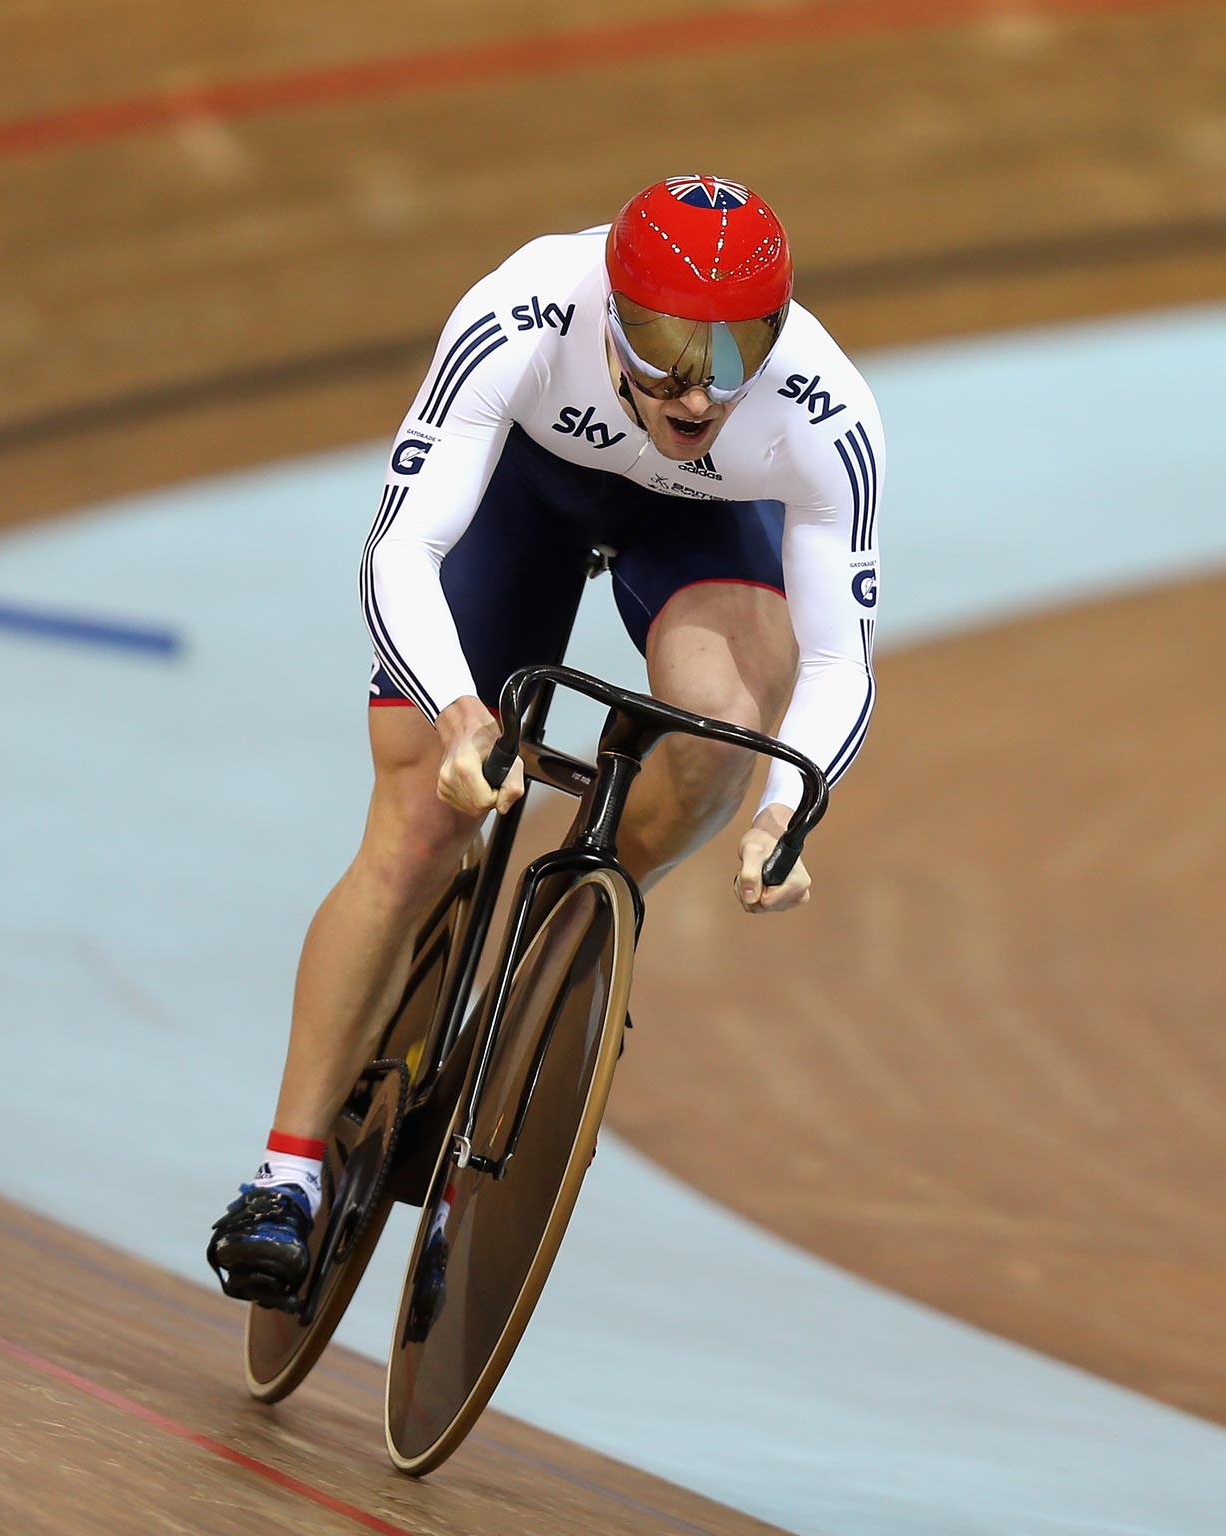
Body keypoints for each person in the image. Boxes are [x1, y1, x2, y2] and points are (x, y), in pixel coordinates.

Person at [208, 175, 883, 1304]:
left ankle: (582, 910)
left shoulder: (823, 410)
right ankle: (287, 1175)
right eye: (666, 346)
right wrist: (457, 711)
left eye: (732, 355)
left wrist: (784, 811)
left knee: (723, 739)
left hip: (698, 526)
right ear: (610, 311)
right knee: (423, 819)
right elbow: (399, 552)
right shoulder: (520, 312)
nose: (696, 392)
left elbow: (836, 658)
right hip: (524, 489)